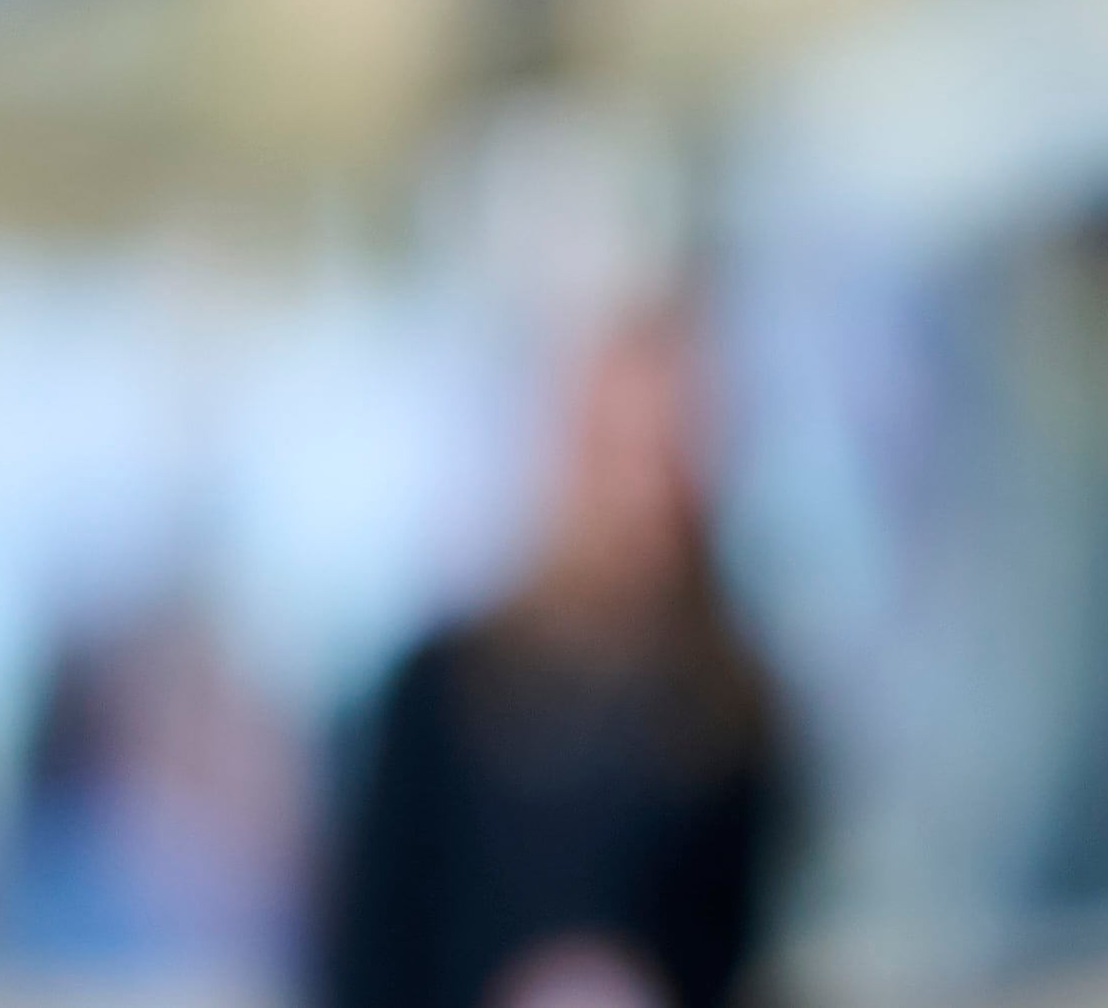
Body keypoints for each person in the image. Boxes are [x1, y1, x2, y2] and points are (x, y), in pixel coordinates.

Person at [312, 309, 796, 1008]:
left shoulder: (734, 713)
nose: (645, 492)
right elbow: (370, 951)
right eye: (621, 454)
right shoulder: (443, 686)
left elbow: (739, 955)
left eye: (669, 455)